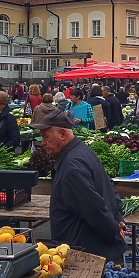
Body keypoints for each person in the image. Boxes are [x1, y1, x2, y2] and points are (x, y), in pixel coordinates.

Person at [31, 110, 127, 261]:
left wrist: (115, 231)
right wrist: (117, 220)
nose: (42, 143)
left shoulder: (71, 167)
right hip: (94, 249)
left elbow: (93, 209)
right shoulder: (82, 151)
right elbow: (109, 188)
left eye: (45, 137)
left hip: (86, 256)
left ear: (62, 134)